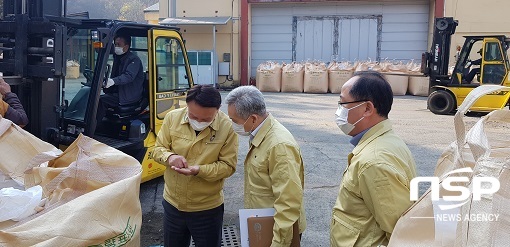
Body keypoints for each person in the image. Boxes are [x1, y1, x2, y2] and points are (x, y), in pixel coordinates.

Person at [330, 71, 417, 246]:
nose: (339, 110)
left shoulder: (374, 162)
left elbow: (400, 233)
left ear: (367, 108)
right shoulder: (384, 141)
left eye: (343, 103)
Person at [153, 84, 238, 247]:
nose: (198, 121)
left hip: (207, 207)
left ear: (218, 110)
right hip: (173, 203)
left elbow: (228, 166)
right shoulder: (172, 118)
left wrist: (199, 170)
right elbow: (158, 149)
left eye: (206, 119)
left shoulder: (227, 127)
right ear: (186, 105)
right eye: (193, 116)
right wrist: (170, 157)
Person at [225, 86, 306, 247]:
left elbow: (288, 202)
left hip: (277, 230)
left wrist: (278, 242)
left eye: (235, 121)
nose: (232, 124)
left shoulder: (279, 146)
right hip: (263, 223)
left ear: (253, 118)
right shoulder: (260, 132)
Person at [96, 34, 144, 122]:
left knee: (101, 101)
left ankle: (93, 128)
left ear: (126, 47)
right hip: (119, 92)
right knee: (93, 96)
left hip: (128, 95)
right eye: (115, 44)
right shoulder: (117, 57)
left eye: (119, 45)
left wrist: (113, 81)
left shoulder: (134, 60)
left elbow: (128, 76)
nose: (116, 47)